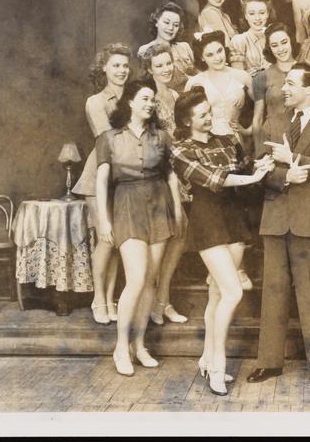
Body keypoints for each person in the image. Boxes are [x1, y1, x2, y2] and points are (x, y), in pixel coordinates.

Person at [246, 62, 310, 389]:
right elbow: (258, 171)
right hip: (275, 218)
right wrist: (284, 175)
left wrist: (291, 159)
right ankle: (269, 363)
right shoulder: (272, 123)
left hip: (309, 220)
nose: (283, 88)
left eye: (291, 83)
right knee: (273, 293)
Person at [171, 88, 274, 396]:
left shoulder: (227, 139)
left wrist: (261, 167)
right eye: (201, 114)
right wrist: (252, 177)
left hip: (234, 219)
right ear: (187, 121)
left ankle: (206, 358)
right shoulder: (180, 150)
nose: (209, 117)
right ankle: (218, 365)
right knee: (232, 292)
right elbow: (215, 179)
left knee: (217, 295)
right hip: (208, 222)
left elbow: (246, 167)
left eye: (208, 111)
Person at [95, 79, 183, 376]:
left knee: (150, 281)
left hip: (159, 207)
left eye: (152, 100)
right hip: (127, 206)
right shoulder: (109, 138)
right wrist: (104, 220)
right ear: (130, 102)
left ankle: (140, 345)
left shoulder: (161, 137)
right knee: (135, 279)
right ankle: (121, 347)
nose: (150, 104)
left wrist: (177, 210)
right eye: (145, 98)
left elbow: (171, 176)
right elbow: (101, 182)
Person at [187, 30, 256, 290]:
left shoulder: (242, 76)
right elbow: (188, 116)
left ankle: (239, 266)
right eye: (210, 54)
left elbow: (260, 108)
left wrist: (248, 130)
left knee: (238, 203)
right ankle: (218, 269)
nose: (217, 57)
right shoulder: (196, 80)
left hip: (235, 142)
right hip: (208, 145)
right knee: (216, 202)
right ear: (202, 58)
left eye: (219, 51)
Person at [73, 43, 131, 325]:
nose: (121, 70)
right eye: (116, 65)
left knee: (118, 241)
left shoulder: (133, 97)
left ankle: (110, 298)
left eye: (125, 66)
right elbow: (109, 140)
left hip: (126, 176)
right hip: (99, 176)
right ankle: (98, 298)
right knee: (105, 240)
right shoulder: (95, 101)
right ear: (104, 68)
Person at [140, 43, 189, 325]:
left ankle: (162, 300)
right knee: (159, 240)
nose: (166, 69)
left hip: (179, 170)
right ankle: (152, 302)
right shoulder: (147, 98)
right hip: (158, 174)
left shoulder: (176, 95)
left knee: (178, 235)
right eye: (159, 65)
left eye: (168, 63)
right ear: (150, 70)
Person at [251, 22, 298, 155]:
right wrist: (259, 152)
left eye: (284, 42)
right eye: (274, 45)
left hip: (302, 137)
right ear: (269, 48)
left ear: (291, 41)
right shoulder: (262, 77)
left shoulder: (307, 70)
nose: (280, 49)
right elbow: (257, 119)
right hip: (273, 138)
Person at [137, 2, 194, 94]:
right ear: (156, 22)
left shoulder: (184, 47)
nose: (171, 28)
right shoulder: (145, 50)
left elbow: (197, 73)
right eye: (166, 22)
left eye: (176, 25)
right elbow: (145, 84)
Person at [229, 0, 274, 77]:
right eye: (252, 14)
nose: (257, 18)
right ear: (246, 15)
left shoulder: (274, 35)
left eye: (262, 13)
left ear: (268, 14)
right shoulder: (239, 40)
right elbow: (239, 77)